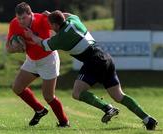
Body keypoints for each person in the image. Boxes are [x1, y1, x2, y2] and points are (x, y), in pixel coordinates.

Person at [25, 10, 158, 130]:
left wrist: (31, 35)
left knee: (77, 93)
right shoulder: (73, 21)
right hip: (106, 58)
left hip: (93, 61)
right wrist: (51, 15)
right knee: (119, 95)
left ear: (54, 25)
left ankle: (107, 108)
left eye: (50, 24)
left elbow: (42, 44)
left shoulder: (60, 39)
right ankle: (148, 119)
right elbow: (68, 15)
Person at [5, 3, 69, 127]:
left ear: (31, 14)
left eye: (24, 18)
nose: (21, 21)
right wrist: (16, 48)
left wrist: (51, 16)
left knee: (48, 96)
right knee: (17, 88)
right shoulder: (14, 23)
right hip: (32, 60)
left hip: (48, 60)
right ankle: (40, 110)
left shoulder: (42, 19)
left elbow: (62, 25)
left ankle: (64, 122)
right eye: (19, 18)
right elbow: (8, 48)